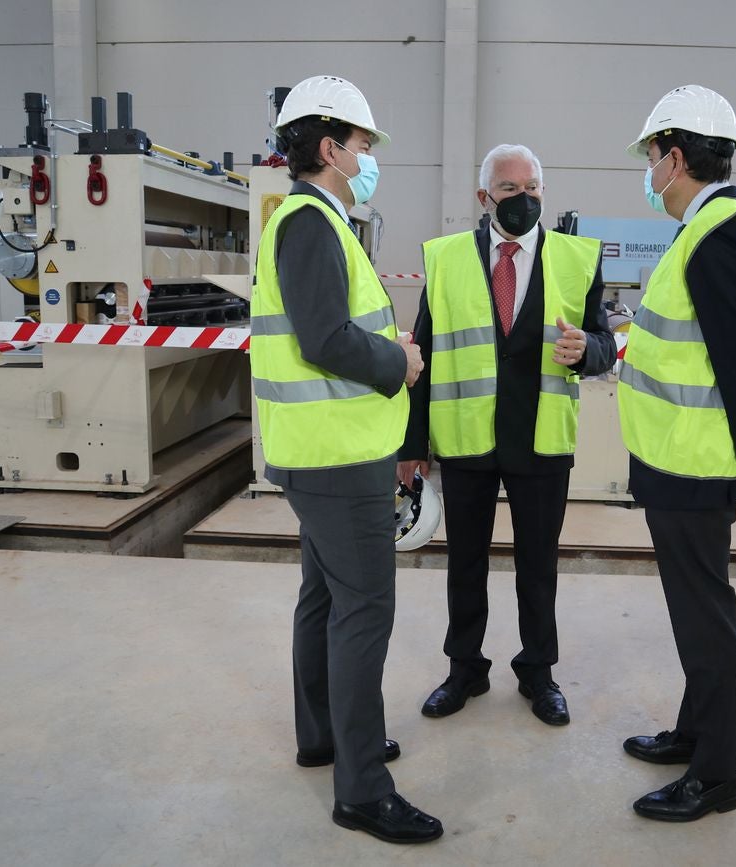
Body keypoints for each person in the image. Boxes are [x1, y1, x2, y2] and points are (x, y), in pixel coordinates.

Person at [250, 74, 441, 845]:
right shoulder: (310, 225)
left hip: (319, 451)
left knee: (325, 601)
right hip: (340, 456)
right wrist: (398, 363)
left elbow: (324, 331)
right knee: (365, 612)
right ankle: (362, 788)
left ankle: (325, 736)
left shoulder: (314, 221)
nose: (370, 159)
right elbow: (324, 338)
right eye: (364, 146)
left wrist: (381, 348)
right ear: (330, 147)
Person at [399, 144, 616, 727]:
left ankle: (538, 672)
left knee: (537, 563)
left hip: (542, 439)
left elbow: (603, 342)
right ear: (483, 198)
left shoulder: (576, 258)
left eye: (533, 187)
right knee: (464, 561)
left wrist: (587, 351)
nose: (524, 199)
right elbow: (422, 353)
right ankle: (464, 667)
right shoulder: (445, 261)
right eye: (510, 189)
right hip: (467, 438)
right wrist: (412, 445)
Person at [616, 85, 736, 822]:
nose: (649, 171)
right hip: (679, 457)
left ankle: (717, 775)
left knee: (705, 619)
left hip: (697, 461)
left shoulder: (717, 234)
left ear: (677, 156)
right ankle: (695, 732)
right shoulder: (719, 225)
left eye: (652, 156)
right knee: (695, 614)